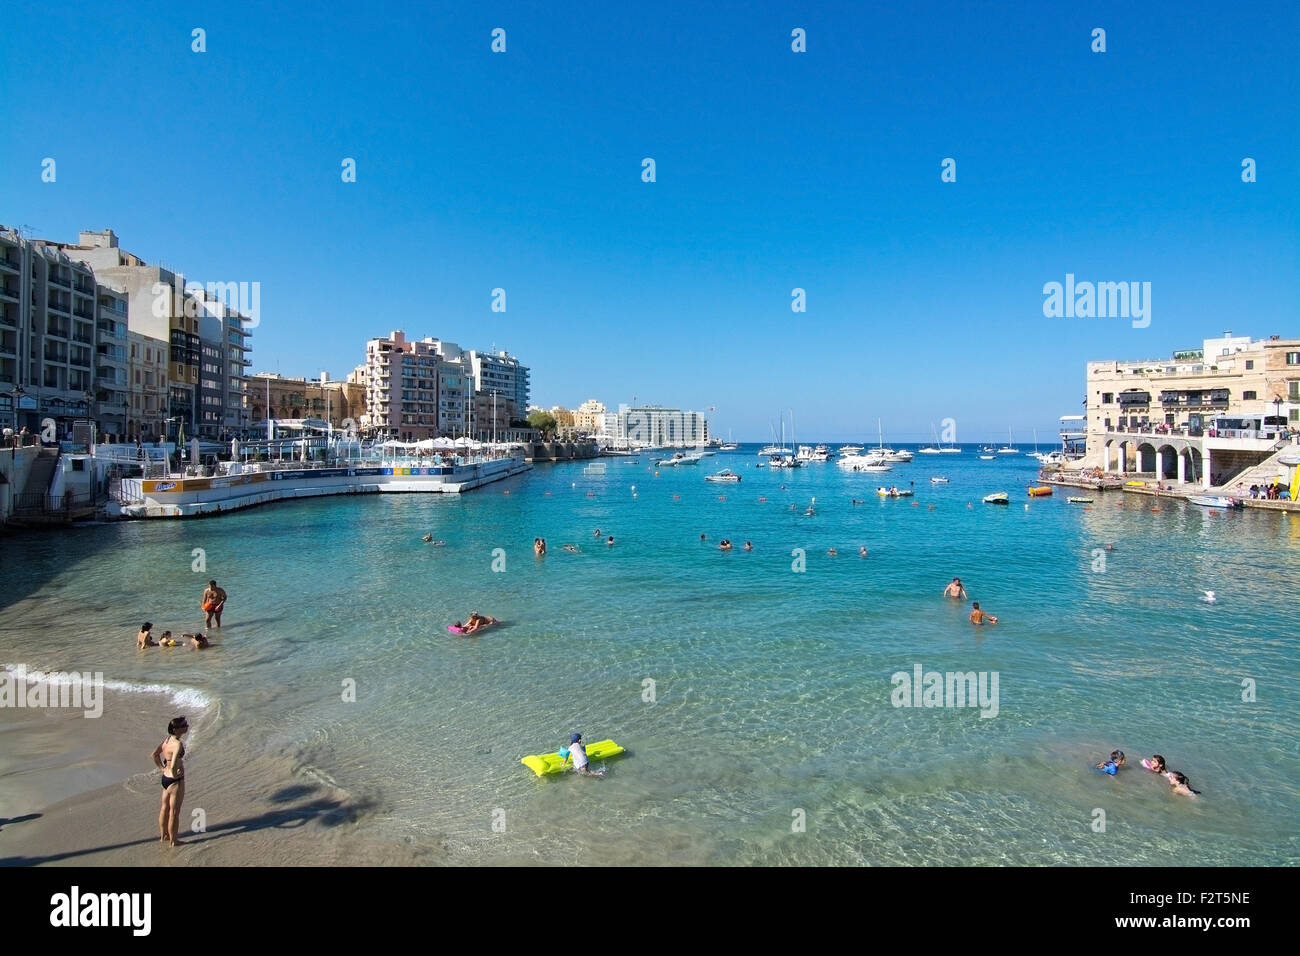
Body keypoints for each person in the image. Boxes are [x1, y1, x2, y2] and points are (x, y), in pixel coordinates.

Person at [151, 716, 189, 846]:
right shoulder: (178, 744)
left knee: (164, 808)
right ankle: (174, 841)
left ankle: (164, 836)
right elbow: (173, 765)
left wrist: (162, 769)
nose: (187, 727)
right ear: (176, 729)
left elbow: (155, 755)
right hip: (175, 781)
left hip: (165, 779)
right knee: (174, 812)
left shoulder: (167, 740)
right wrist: (174, 774)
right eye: (184, 725)